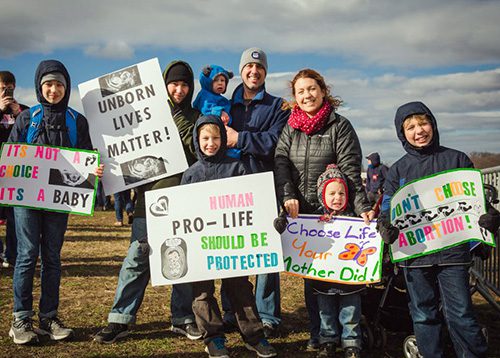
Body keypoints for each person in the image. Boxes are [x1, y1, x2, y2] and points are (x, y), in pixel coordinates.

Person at [377, 101, 500, 358]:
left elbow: (476, 201)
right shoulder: (398, 169)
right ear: (402, 133)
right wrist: (385, 225)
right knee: (423, 314)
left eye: (423, 123)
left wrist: (491, 216)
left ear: (433, 124)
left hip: (453, 254)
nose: (418, 130)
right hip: (415, 256)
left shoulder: (457, 159)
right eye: (410, 127)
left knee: (462, 313)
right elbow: (388, 207)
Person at [94, 60, 202, 344]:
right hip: (148, 199)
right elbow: (121, 147)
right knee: (137, 257)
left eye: (185, 84)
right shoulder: (146, 113)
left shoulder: (196, 117)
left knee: (182, 258)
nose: (179, 89)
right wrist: (107, 167)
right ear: (165, 84)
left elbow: (201, 152)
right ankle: (120, 319)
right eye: (174, 84)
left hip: (182, 198)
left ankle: (183, 318)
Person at [273, 69, 373, 351]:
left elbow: (351, 171)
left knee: (340, 278)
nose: (307, 95)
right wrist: (288, 195)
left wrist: (362, 206)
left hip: (335, 214)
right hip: (302, 214)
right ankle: (320, 335)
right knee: (311, 277)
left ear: (323, 90)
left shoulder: (339, 126)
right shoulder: (289, 128)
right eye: (301, 91)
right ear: (294, 98)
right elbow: (281, 163)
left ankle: (349, 335)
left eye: (312, 88)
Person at [7, 60, 103, 345]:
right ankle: (20, 318)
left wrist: (93, 170)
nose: (53, 89)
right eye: (48, 84)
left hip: (58, 201)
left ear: (66, 87)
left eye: (59, 84)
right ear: (39, 86)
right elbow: (11, 156)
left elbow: (86, 155)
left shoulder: (76, 121)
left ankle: (49, 316)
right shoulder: (27, 118)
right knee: (26, 255)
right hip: (26, 200)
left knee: (52, 257)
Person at [182, 115, 277, 358]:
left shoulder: (238, 168)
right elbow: (181, 211)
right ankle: (213, 337)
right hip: (201, 245)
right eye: (205, 138)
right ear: (197, 140)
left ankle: (254, 335)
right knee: (202, 292)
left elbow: (253, 205)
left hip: (233, 245)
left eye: (215, 137)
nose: (210, 143)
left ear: (224, 139)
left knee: (240, 288)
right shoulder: (190, 174)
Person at [222, 47, 289, 338]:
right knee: (232, 249)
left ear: (265, 73)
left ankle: (267, 315)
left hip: (263, 185)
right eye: (249, 67)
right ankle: (232, 311)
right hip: (229, 186)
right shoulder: (225, 106)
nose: (254, 71)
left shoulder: (278, 107)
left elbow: (276, 142)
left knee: (266, 252)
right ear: (241, 70)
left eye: (259, 68)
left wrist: (240, 138)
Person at [311, 164, 365, 357]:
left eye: (341, 193)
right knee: (325, 311)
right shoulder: (315, 219)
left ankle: (351, 341)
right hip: (324, 276)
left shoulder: (355, 218)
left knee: (350, 309)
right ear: (322, 195)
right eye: (331, 193)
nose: (337, 198)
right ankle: (328, 340)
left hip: (349, 277)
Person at [0, 70, 28, 268]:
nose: (6, 92)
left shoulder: (24, 112)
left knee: (14, 218)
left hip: (15, 172)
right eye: (2, 88)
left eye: (9, 88)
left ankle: (12, 255)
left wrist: (19, 114)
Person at [193, 64, 240, 159]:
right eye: (216, 80)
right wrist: (219, 112)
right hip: (211, 129)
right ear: (208, 82)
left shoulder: (222, 99)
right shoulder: (204, 95)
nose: (220, 83)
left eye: (222, 80)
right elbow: (206, 108)